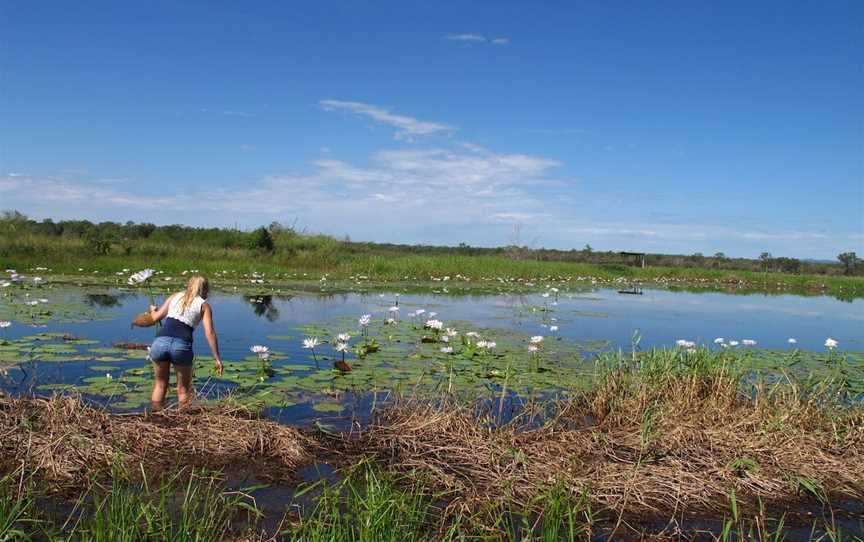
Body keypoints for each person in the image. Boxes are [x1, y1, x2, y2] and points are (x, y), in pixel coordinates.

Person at [147, 275, 223, 409]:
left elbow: (155, 318)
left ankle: (155, 417)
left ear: (189, 285)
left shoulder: (175, 296)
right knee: (183, 389)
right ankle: (183, 422)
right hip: (181, 346)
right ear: (205, 290)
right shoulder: (204, 306)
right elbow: (209, 333)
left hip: (160, 342)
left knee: (160, 384)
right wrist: (217, 358)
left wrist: (153, 310)